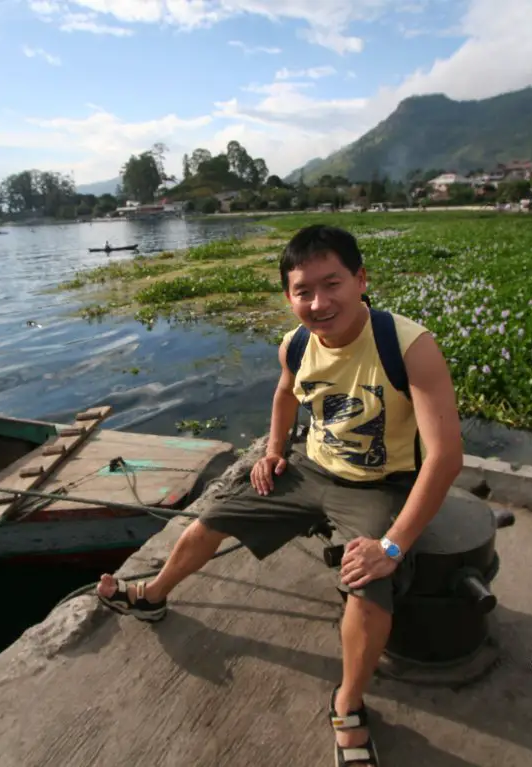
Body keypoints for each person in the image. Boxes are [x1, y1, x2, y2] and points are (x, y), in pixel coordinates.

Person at [96, 223, 464, 766]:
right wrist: (273, 451)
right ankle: (152, 596)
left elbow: (444, 457)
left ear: (361, 279)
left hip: (378, 484)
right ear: (288, 297)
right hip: (310, 468)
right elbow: (284, 394)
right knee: (213, 515)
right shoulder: (294, 344)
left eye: (332, 283)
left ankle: (348, 704)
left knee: (366, 585)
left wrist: (392, 547)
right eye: (303, 291)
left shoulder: (408, 345)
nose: (319, 302)